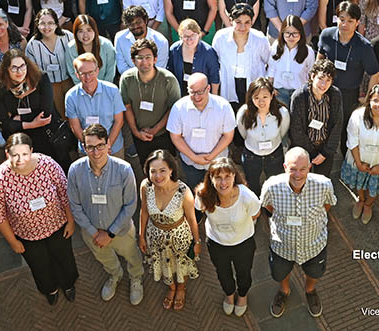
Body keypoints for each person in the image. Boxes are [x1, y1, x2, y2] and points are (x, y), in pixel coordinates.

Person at [0, 133, 77, 304]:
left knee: (65, 259)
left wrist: (71, 221)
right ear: (7, 154)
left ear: (32, 151)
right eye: (15, 155)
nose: (21, 159)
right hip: (27, 235)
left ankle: (68, 284)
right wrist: (13, 241)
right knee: (40, 266)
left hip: (58, 227)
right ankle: (50, 289)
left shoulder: (48, 165)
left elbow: (64, 194)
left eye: (25, 154)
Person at [67, 123, 143, 304]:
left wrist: (109, 233)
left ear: (108, 144)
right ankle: (115, 275)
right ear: (84, 147)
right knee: (104, 257)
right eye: (90, 147)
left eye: (100, 145)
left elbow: (130, 205)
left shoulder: (124, 170)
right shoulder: (75, 171)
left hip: (121, 231)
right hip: (91, 233)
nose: (95, 152)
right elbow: (75, 206)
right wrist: (95, 233)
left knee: (132, 255)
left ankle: (136, 278)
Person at [261, 147, 337, 319]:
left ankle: (310, 291)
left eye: (302, 169)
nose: (297, 174)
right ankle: (284, 291)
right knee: (280, 273)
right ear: (284, 167)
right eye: (293, 169)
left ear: (309, 167)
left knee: (314, 273)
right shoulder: (271, 187)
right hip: (282, 246)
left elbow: (327, 205)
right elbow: (268, 206)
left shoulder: (323, 185)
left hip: (314, 245)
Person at [194, 158, 260, 317]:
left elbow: (255, 215)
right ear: (210, 178)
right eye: (218, 177)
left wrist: (239, 228)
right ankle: (229, 295)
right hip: (217, 243)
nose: (223, 182)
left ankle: (242, 295)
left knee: (244, 272)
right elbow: (196, 215)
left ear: (234, 177)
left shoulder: (247, 196)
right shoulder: (203, 195)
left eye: (227, 177)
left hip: (243, 243)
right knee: (222, 273)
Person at [139, 150, 200, 310]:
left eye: (162, 170)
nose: (157, 176)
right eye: (153, 171)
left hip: (179, 237)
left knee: (181, 265)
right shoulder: (146, 187)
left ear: (171, 170)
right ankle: (172, 288)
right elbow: (144, 210)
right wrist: (141, 236)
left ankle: (181, 289)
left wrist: (197, 241)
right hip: (155, 236)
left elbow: (192, 219)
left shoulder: (183, 192)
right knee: (164, 264)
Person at [316, 1, 379, 146]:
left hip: (349, 94)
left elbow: (375, 74)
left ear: (357, 22)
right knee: (322, 124)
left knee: (345, 129)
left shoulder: (364, 46)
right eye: (342, 19)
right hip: (326, 90)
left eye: (350, 21)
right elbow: (319, 59)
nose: (345, 24)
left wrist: (368, 98)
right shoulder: (326, 35)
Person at [0, 50, 66, 172]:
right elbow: (2, 122)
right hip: (19, 136)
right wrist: (31, 124)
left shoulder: (40, 79)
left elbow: (46, 113)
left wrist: (17, 118)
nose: (19, 72)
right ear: (6, 69)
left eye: (22, 66)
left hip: (45, 133)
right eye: (14, 68)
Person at [341, 84, 379, 224]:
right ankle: (361, 200)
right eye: (375, 100)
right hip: (359, 159)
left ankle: (369, 204)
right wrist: (358, 163)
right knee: (359, 183)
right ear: (369, 101)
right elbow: (352, 140)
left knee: (375, 186)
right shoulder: (358, 115)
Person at [167, 72, 236, 188]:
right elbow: (175, 136)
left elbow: (228, 135)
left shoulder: (223, 106)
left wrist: (212, 155)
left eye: (200, 92)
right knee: (195, 193)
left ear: (208, 88)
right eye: (192, 92)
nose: (197, 96)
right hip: (190, 164)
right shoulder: (179, 108)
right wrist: (194, 157)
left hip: (218, 162)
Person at [120, 38, 181, 166]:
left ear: (155, 59)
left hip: (164, 134)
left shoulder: (168, 80)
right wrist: (136, 132)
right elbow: (127, 106)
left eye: (148, 57)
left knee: (167, 168)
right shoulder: (127, 79)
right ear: (133, 60)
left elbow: (173, 109)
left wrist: (155, 129)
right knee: (146, 167)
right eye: (140, 57)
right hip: (139, 135)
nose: (144, 62)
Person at [236, 78, 290, 194]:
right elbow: (243, 133)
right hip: (251, 156)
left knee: (275, 188)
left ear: (272, 95)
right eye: (256, 98)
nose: (261, 102)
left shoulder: (282, 113)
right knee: (252, 186)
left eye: (265, 97)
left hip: (274, 156)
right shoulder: (243, 113)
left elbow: (282, 132)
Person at [65, 52, 125, 156]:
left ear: (97, 71)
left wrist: (107, 145)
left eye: (91, 72)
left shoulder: (112, 91)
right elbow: (75, 127)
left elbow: (119, 121)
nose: (87, 77)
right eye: (83, 73)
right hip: (87, 150)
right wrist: (90, 148)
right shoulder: (71, 96)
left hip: (113, 148)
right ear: (77, 75)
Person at [212, 4, 271, 108]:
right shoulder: (220, 38)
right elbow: (215, 64)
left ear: (252, 21)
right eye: (238, 22)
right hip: (229, 82)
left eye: (247, 22)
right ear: (231, 20)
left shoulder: (260, 39)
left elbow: (269, 62)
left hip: (253, 84)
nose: (243, 27)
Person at [26, 9, 74, 118]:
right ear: (37, 25)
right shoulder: (32, 45)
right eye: (42, 23)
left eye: (50, 23)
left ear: (56, 24)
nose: (46, 27)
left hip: (69, 80)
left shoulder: (68, 37)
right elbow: (33, 72)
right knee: (60, 115)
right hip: (49, 85)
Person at [267, 15, 316, 107]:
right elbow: (271, 69)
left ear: (301, 33)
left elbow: (311, 73)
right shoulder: (276, 46)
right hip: (279, 91)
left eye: (295, 33)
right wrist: (270, 88)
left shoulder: (308, 51)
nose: (291, 37)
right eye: (287, 33)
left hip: (299, 92)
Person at [167, 19, 220, 94]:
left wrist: (214, 98)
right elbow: (170, 73)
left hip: (201, 95)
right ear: (180, 36)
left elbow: (214, 78)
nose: (189, 40)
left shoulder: (208, 52)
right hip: (180, 92)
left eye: (193, 35)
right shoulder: (174, 49)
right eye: (185, 36)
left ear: (199, 34)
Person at [115, 5, 169, 72]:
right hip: (130, 79)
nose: (135, 26)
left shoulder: (161, 41)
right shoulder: (120, 38)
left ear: (146, 21)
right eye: (131, 24)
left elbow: (160, 69)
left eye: (138, 22)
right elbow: (122, 66)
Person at [65, 14, 116, 83]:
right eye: (81, 31)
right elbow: (72, 72)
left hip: (105, 87)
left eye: (89, 30)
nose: (85, 35)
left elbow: (110, 70)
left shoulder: (106, 45)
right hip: (82, 88)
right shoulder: (71, 48)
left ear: (95, 30)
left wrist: (103, 88)